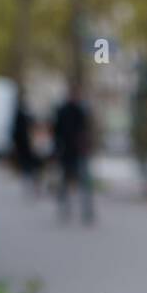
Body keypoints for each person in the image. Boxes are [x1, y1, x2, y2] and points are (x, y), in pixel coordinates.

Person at [53, 84, 94, 223]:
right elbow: (57, 132)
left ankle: (86, 210)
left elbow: (86, 131)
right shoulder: (64, 111)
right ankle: (67, 208)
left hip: (77, 152)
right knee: (69, 181)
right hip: (69, 152)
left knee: (83, 182)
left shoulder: (80, 110)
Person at [11, 92, 41, 194]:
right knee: (26, 165)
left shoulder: (27, 115)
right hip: (24, 144)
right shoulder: (20, 114)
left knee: (31, 165)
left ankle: (31, 183)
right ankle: (28, 183)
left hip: (30, 145)